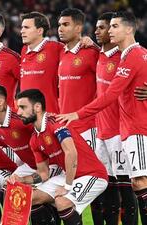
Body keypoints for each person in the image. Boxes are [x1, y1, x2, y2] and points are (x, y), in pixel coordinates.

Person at [56, 11, 147, 225]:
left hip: (131, 127)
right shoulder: (105, 55)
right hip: (110, 129)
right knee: (117, 183)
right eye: (108, 26)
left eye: (112, 26)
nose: (104, 30)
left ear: (129, 29)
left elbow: (110, 94)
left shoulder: (132, 55)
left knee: (137, 182)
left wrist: (77, 114)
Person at [13, 89, 108, 225]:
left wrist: (67, 186)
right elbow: (44, 173)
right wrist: (21, 179)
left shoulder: (56, 123)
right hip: (69, 175)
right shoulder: (34, 139)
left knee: (62, 202)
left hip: (93, 175)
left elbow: (71, 153)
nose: (19, 113)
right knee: (30, 198)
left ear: (38, 107)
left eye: (23, 107)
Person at [0, 84, 61, 225]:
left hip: (50, 163)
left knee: (38, 200)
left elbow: (45, 125)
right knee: (7, 192)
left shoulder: (21, 120)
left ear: (1, 102)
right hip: (30, 165)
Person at [93, 12, 138, 225]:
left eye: (105, 27)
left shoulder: (124, 57)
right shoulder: (97, 55)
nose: (100, 31)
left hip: (119, 131)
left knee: (127, 185)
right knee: (106, 184)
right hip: (100, 131)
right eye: (102, 27)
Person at [57, 8, 101, 223]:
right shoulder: (61, 53)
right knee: (73, 185)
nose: (60, 29)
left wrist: (94, 44)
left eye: (65, 24)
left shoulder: (92, 53)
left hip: (88, 127)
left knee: (92, 182)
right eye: (59, 25)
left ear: (78, 27)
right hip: (66, 129)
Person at [20, 12, 62, 114]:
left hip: (49, 115)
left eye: (26, 27)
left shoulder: (55, 48)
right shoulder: (24, 50)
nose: (22, 31)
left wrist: (85, 41)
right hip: (26, 117)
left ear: (40, 31)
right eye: (22, 27)